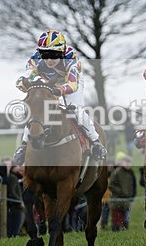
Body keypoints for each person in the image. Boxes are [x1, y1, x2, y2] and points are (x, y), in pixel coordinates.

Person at [13, 30, 106, 165]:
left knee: (75, 109)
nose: (49, 60)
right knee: (37, 110)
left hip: (70, 81)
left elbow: (73, 85)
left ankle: (96, 141)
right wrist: (24, 83)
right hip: (48, 80)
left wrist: (60, 90)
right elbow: (27, 77)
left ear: (62, 52)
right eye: (45, 55)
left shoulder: (71, 58)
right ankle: (23, 145)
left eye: (54, 55)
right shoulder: (35, 59)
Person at [108, 152, 136, 231]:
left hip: (126, 201)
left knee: (126, 220)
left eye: (129, 162)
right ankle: (116, 232)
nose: (128, 164)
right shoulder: (117, 172)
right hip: (117, 201)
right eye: (126, 162)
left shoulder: (130, 172)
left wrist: (131, 194)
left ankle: (124, 231)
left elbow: (132, 185)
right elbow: (111, 185)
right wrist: (121, 192)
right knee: (117, 220)